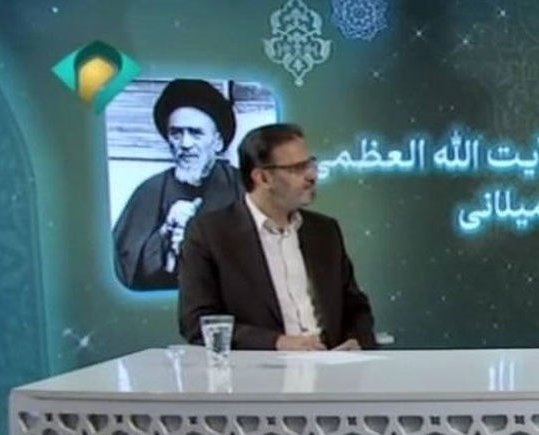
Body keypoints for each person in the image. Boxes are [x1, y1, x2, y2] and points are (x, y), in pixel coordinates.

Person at [177, 123, 376, 350]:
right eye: (298, 168)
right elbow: (197, 322)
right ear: (262, 178)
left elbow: (355, 306)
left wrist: (356, 340)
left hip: (333, 364)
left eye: (311, 163)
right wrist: (278, 343)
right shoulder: (210, 234)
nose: (312, 175)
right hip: (261, 368)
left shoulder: (325, 231)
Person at [112, 79, 245, 291]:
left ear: (218, 141)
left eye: (196, 133)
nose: (185, 144)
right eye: (176, 133)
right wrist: (164, 234)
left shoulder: (244, 187)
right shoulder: (149, 191)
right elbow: (123, 267)